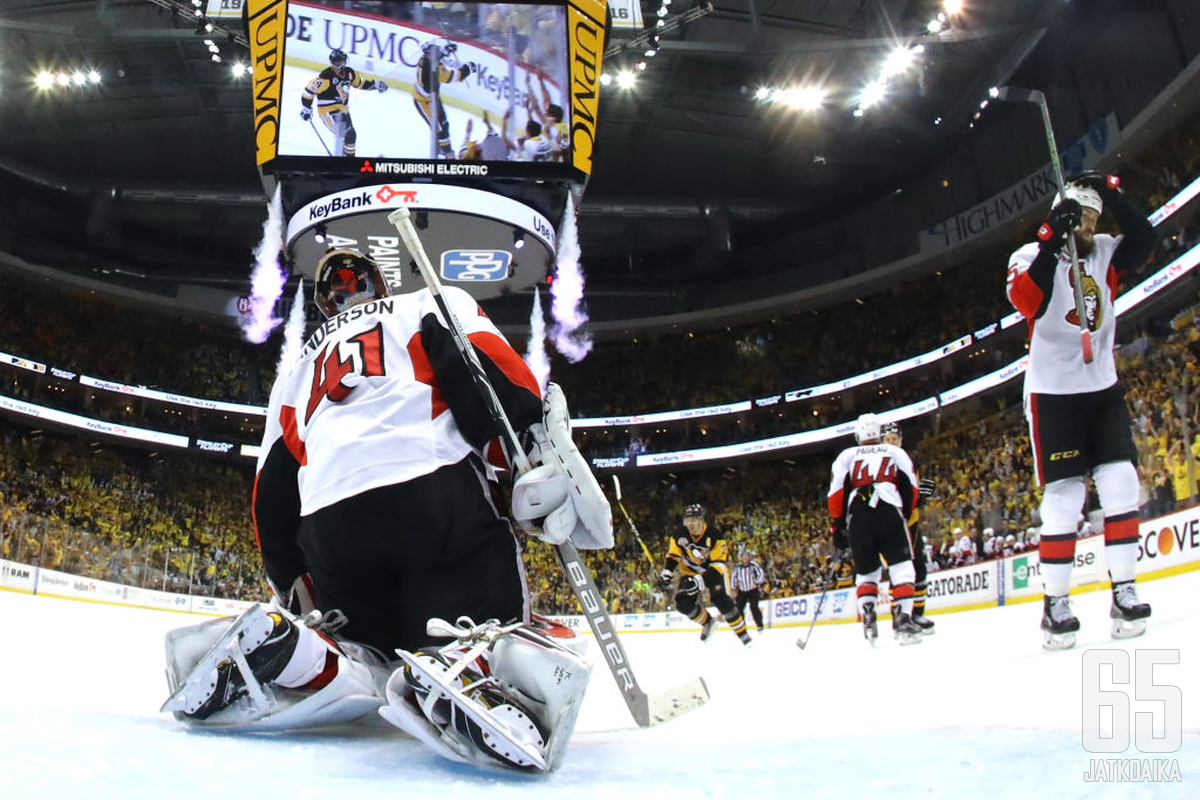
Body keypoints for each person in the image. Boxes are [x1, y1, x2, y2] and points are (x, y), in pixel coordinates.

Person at [160, 249, 612, 772]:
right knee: (474, 618)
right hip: (430, 493)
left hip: (330, 526)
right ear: (380, 283)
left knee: (363, 647)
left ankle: (310, 655)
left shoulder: (298, 369)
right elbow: (486, 373)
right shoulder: (428, 303)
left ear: (323, 303)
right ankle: (474, 659)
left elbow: (270, 493)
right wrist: (530, 453)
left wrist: (291, 584)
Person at [1005, 170, 1157, 649]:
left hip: (1101, 386)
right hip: (1053, 395)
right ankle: (1056, 602)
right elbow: (1026, 301)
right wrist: (1053, 240)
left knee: (1121, 482)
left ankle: (1125, 589)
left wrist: (1113, 192)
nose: (1090, 225)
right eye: (1082, 217)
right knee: (1066, 498)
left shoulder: (1107, 250)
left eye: (1095, 217)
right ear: (1062, 216)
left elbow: (1148, 237)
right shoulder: (1030, 255)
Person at [827, 413, 923, 646]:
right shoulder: (895, 452)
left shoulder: (846, 456)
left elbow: (835, 494)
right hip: (889, 512)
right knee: (902, 569)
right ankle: (902, 619)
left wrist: (837, 526)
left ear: (858, 435)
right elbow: (912, 487)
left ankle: (869, 615)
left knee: (867, 572)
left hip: (858, 518)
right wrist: (907, 513)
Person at [657, 503, 752, 645]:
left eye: (694, 519)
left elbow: (718, 566)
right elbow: (673, 556)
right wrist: (667, 572)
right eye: (687, 520)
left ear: (702, 520)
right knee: (683, 604)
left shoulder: (715, 536)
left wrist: (698, 581)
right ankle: (708, 622)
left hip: (711, 572)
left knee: (721, 601)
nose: (690, 523)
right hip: (689, 571)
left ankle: (743, 635)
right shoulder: (679, 534)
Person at [882, 422, 935, 634]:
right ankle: (900, 615)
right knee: (900, 571)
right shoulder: (881, 466)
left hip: (912, 524)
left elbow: (915, 492)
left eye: (895, 438)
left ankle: (917, 614)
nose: (892, 442)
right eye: (888, 439)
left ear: (901, 441)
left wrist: (922, 497)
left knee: (920, 569)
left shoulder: (910, 463)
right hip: (894, 525)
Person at [300, 48, 389, 157]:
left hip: (343, 109)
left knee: (349, 136)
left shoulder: (349, 73)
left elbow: (359, 83)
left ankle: (346, 160)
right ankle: (348, 161)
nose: (344, 63)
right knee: (349, 134)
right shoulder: (326, 76)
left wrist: (375, 84)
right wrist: (306, 109)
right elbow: (308, 92)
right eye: (342, 61)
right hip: (328, 111)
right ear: (336, 63)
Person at [412, 39, 479, 158]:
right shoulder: (431, 67)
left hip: (432, 98)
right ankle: (446, 152)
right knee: (439, 128)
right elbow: (451, 77)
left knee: (444, 123)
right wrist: (467, 68)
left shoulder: (429, 60)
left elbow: (444, 60)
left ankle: (441, 148)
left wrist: (446, 51)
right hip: (423, 102)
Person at [730, 548, 766, 632]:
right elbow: (733, 578)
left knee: (754, 607)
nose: (746, 558)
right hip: (742, 590)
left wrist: (756, 582)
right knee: (739, 609)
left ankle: (760, 625)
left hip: (752, 590)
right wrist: (734, 588)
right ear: (741, 557)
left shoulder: (754, 565)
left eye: (747, 556)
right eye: (744, 556)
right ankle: (742, 627)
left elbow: (761, 574)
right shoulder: (738, 568)